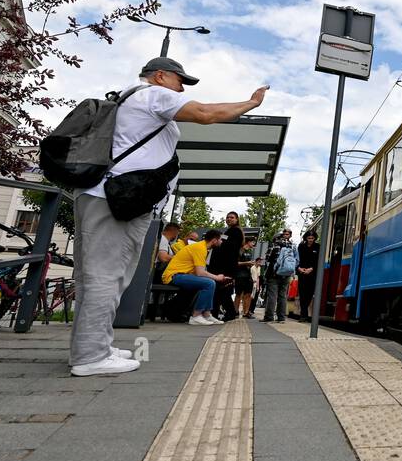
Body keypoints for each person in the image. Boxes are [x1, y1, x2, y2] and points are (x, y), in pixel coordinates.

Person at [68, 56, 267, 376]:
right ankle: (91, 356)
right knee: (106, 275)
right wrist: (251, 103)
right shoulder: (152, 94)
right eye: (180, 81)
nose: (181, 89)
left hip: (109, 197)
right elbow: (206, 114)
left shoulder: (132, 100)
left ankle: (95, 347)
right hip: (119, 199)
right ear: (160, 76)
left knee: (100, 275)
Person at [163, 227, 228, 326]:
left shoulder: (202, 247)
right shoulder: (200, 248)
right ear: (214, 240)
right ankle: (196, 316)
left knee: (210, 282)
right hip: (174, 275)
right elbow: (200, 273)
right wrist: (217, 277)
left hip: (182, 275)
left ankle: (206, 314)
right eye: (220, 240)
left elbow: (200, 272)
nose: (221, 242)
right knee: (209, 283)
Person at [207, 212, 243, 319]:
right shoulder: (229, 231)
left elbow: (230, 248)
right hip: (224, 266)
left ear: (237, 219)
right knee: (222, 291)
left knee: (222, 290)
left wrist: (220, 243)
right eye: (227, 217)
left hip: (225, 266)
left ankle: (227, 313)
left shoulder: (235, 231)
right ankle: (226, 312)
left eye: (232, 217)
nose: (229, 219)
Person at [261, 229, 296, 323]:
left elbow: (268, 259)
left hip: (274, 273)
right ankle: (281, 318)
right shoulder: (292, 246)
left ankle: (269, 317)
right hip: (286, 273)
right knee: (283, 296)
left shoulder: (275, 245)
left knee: (272, 295)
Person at [296, 230, 320, 322]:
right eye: (309, 238)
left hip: (312, 274)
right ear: (306, 238)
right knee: (302, 294)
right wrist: (299, 268)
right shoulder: (301, 246)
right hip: (302, 273)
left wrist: (312, 269)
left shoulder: (317, 247)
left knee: (309, 293)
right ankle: (303, 315)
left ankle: (304, 312)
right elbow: (297, 258)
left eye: (312, 238)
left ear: (314, 238)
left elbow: (318, 260)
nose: (310, 240)